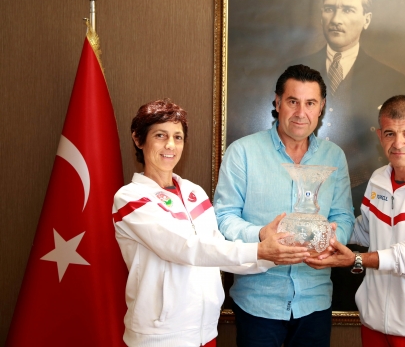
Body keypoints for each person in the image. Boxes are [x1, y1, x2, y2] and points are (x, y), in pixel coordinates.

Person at [112, 98, 310, 347]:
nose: (170, 145)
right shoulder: (129, 198)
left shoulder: (194, 193)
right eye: (160, 135)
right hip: (159, 337)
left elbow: (217, 251)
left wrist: (274, 255)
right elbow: (185, 248)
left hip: (205, 331)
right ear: (138, 139)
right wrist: (259, 249)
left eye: (178, 137)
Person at [306, 95, 405, 346]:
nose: (398, 143)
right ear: (380, 136)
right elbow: (366, 230)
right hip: (375, 325)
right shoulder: (378, 179)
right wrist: (325, 232)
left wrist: (356, 259)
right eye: (390, 134)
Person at [214, 65, 355, 347]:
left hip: (314, 301)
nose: (301, 112)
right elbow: (224, 216)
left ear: (321, 107)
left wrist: (331, 240)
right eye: (293, 101)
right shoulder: (242, 152)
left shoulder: (334, 157)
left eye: (310, 103)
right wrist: (260, 235)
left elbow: (343, 215)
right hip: (258, 301)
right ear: (277, 103)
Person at [295, 0, 405, 213]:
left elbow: (402, 144)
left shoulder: (391, 80)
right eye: (329, 9)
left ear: (366, 19)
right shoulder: (295, 73)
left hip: (367, 197)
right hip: (304, 195)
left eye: (347, 10)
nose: (336, 19)